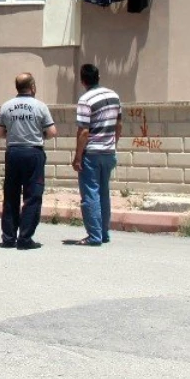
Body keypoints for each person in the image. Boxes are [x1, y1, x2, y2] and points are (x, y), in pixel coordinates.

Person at [0, 73, 57, 250]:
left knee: (11, 195)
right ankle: (25, 238)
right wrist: (39, 133)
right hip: (33, 153)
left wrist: (13, 133)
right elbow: (52, 132)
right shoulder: (40, 106)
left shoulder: (6, 106)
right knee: (32, 196)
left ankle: (8, 237)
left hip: (13, 152)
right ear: (33, 86)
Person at [71, 63, 122, 246]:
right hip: (108, 152)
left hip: (91, 153)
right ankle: (104, 233)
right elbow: (119, 125)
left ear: (82, 80)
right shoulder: (114, 96)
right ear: (98, 77)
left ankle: (94, 236)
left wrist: (77, 156)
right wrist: (112, 144)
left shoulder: (85, 100)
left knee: (90, 194)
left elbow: (84, 131)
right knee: (103, 193)